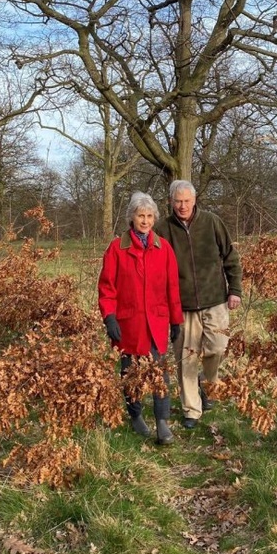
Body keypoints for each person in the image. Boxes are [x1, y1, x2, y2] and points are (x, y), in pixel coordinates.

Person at [98, 191, 184, 445]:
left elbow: (172, 288)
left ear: (154, 218)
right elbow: (106, 287)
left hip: (156, 323)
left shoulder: (163, 247)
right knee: (130, 373)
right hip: (128, 324)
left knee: (160, 373)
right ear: (131, 218)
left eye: (149, 216)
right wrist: (109, 317)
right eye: (140, 216)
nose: (145, 221)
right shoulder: (117, 248)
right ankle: (135, 415)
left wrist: (176, 321)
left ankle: (162, 423)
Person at [155, 180, 242, 428]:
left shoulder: (212, 222)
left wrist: (234, 289)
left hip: (215, 299)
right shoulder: (162, 229)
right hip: (182, 306)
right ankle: (191, 409)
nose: (182, 206)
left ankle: (208, 381)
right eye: (178, 201)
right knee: (187, 359)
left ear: (195, 201)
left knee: (218, 348)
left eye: (187, 201)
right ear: (171, 202)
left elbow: (230, 257)